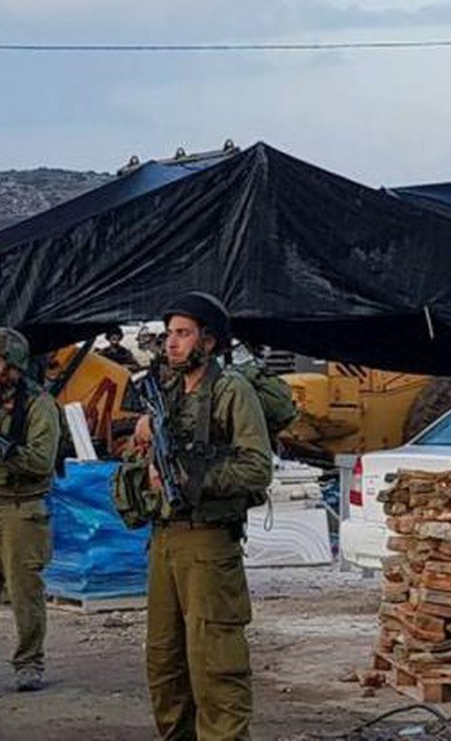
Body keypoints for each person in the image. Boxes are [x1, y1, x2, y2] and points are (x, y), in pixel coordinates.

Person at [134, 293, 272, 740]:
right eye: (169, 334)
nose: (171, 344)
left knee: (215, 665)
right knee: (164, 663)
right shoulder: (167, 392)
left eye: (183, 334)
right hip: (165, 539)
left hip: (209, 543)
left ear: (208, 342)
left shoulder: (232, 390)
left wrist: (192, 475)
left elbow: (256, 467)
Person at [0, 327, 62, 693]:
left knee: (25, 591)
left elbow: (41, 461)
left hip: (20, 509)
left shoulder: (39, 406)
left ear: (13, 365)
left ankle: (29, 662)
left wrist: (5, 451)